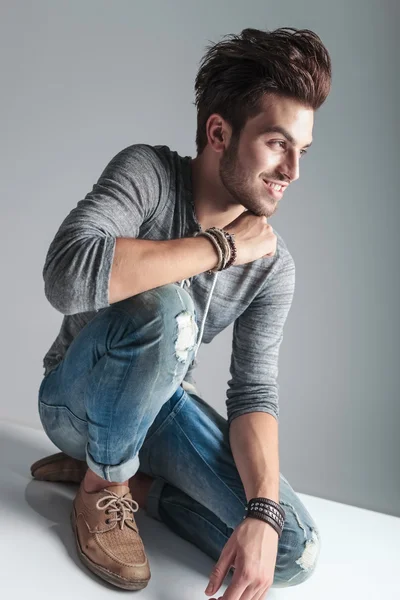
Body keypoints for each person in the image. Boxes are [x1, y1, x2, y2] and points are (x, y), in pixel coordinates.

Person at [31, 26, 332, 599]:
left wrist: (263, 511)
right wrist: (222, 248)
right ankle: (102, 487)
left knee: (293, 547)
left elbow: (253, 395)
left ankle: (133, 481)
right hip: (75, 398)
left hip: (159, 407)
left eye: (303, 151)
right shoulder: (149, 173)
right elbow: (65, 275)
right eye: (277, 143)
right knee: (167, 308)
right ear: (219, 132)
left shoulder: (274, 266)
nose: (293, 170)